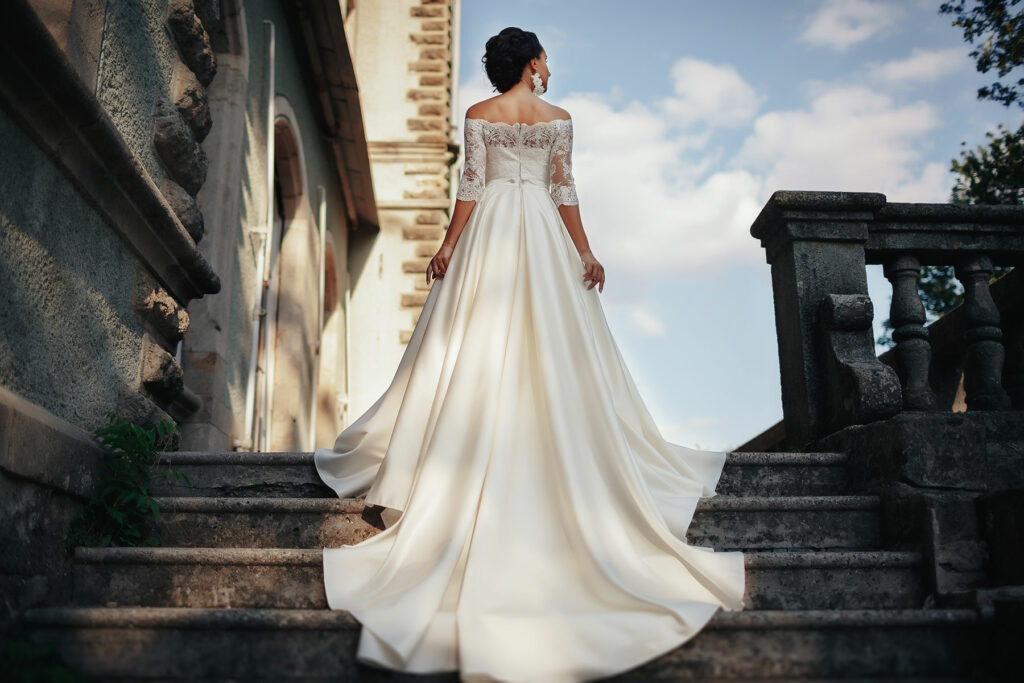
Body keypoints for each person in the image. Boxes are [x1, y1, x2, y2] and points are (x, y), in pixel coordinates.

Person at [313, 26, 746, 682]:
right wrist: (585, 252)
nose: (549, 64)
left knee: (473, 345)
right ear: (534, 62)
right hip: (540, 234)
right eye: (545, 55)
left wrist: (451, 246)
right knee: (552, 347)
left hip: (491, 234)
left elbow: (473, 189)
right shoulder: (558, 119)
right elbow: (564, 191)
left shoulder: (480, 115)